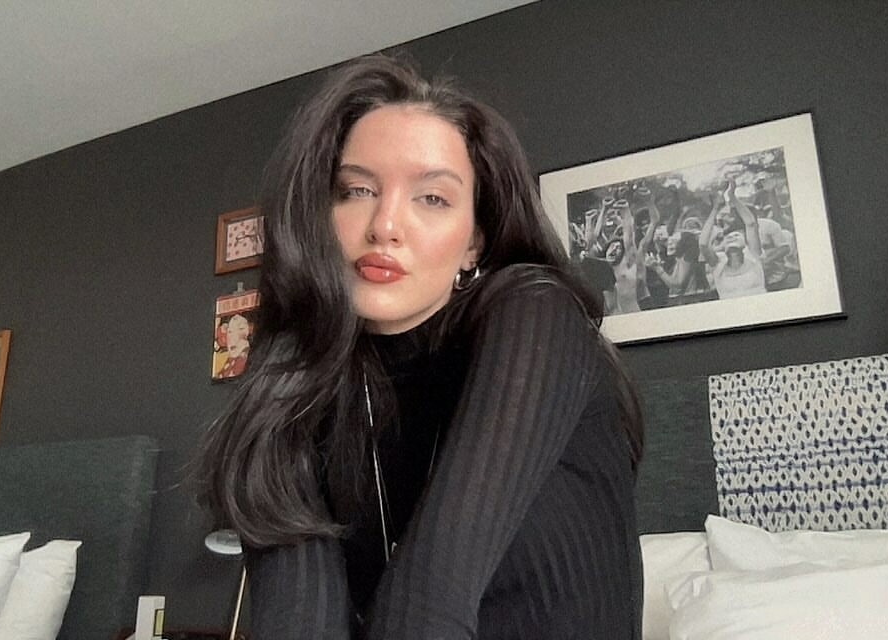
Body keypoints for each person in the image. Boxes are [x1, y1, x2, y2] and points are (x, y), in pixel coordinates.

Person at [196, 55, 644, 640]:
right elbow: (299, 621)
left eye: (432, 198)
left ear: (474, 242)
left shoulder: (535, 314)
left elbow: (427, 605)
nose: (384, 225)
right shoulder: (294, 378)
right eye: (356, 190)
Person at [699, 182, 766, 299]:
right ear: (723, 245)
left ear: (745, 243)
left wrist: (732, 196)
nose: (731, 237)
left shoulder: (752, 255)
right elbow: (703, 244)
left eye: (736, 235)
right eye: (728, 237)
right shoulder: (718, 263)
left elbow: (751, 224)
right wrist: (715, 208)